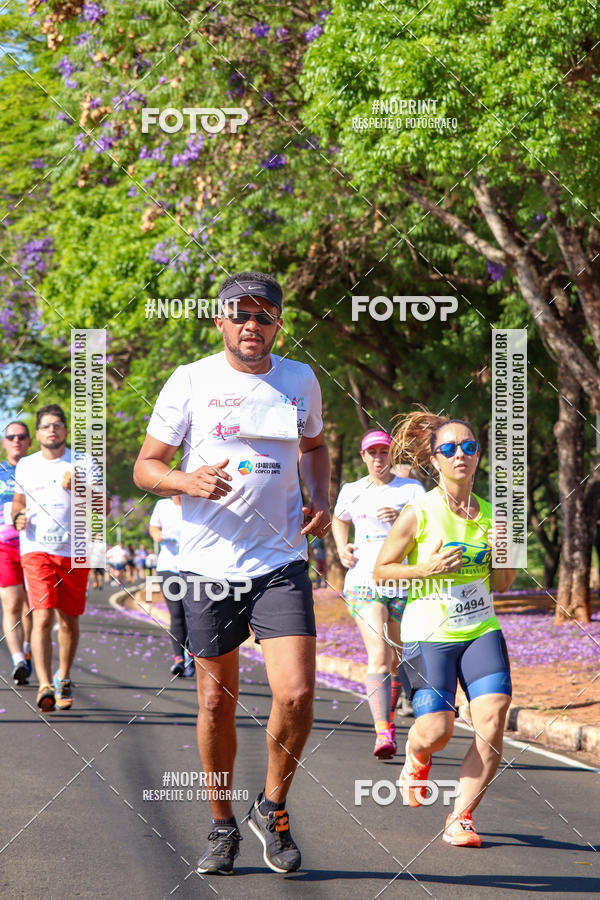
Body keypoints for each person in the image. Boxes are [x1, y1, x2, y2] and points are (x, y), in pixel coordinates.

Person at [134, 271, 330, 876]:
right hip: (205, 565)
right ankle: (222, 824)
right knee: (216, 706)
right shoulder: (190, 380)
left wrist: (318, 497)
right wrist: (185, 480)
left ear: (279, 321)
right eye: (239, 314)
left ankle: (271, 809)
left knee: (296, 694)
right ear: (219, 320)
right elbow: (146, 467)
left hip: (279, 561)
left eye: (263, 314)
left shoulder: (299, 379)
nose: (252, 325)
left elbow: (316, 447)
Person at [373, 411, 515, 847]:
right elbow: (381, 572)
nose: (460, 455)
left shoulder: (494, 515)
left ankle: (461, 817)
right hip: (428, 633)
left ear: (479, 455)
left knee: (492, 718)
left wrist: (502, 551)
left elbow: (502, 585)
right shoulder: (418, 512)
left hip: (479, 628)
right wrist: (427, 567)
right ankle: (416, 755)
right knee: (438, 731)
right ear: (434, 460)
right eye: (449, 449)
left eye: (469, 447)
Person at [332, 429, 425, 759]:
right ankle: (382, 731)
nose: (377, 458)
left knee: (398, 655)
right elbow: (339, 519)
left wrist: (402, 519)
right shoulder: (352, 490)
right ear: (363, 457)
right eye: (371, 453)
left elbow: (427, 530)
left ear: (391, 454)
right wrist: (343, 548)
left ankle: (397, 704)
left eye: (383, 452)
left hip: (402, 581)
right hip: (364, 581)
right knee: (379, 654)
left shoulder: (412, 490)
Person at [12, 404, 105, 712]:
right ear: (37, 434)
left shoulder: (83, 461)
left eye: (57, 425)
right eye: (45, 426)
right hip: (36, 549)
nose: (52, 430)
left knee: (68, 620)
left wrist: (81, 487)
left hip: (74, 552)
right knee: (42, 615)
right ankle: (44, 685)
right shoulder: (26, 465)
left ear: (65, 431)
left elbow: (103, 506)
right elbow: (18, 502)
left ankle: (63, 675)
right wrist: (18, 518)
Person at [0, 422, 33, 684]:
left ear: (29, 441)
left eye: (21, 436)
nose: (16, 440)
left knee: (31, 606)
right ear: (4, 442)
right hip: (4, 546)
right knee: (11, 603)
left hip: (34, 545)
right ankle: (18, 659)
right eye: (11, 437)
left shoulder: (38, 470)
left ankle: (29, 650)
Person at [148, 495, 193, 676]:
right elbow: (153, 527)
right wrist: (158, 535)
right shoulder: (162, 505)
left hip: (192, 568)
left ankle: (191, 655)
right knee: (176, 614)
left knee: (192, 613)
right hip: (168, 567)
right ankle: (179, 659)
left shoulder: (195, 505)